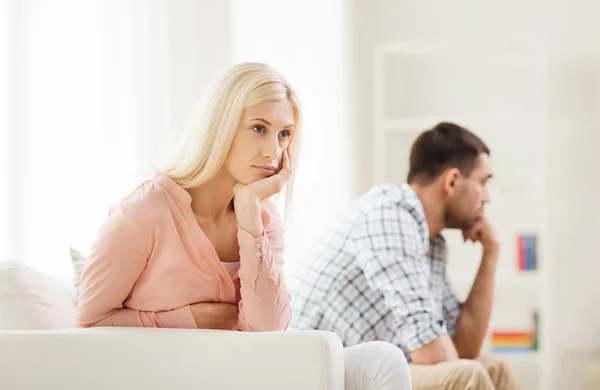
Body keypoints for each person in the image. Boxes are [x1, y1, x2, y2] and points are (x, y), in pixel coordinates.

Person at [75, 62, 411, 390]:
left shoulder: (263, 218)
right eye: (258, 129)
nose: (273, 152)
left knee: (382, 359)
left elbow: (268, 331)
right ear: (220, 126)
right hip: (183, 376)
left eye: (284, 135)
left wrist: (250, 214)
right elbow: (87, 323)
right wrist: (190, 319)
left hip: (250, 372)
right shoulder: (144, 212)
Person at [288, 122, 520, 389]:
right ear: (453, 181)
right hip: (324, 375)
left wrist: (491, 254)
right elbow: (432, 353)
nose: (487, 197)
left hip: (369, 369)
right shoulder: (390, 216)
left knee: (496, 368)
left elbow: (463, 346)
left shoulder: (431, 242)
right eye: (483, 182)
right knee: (468, 375)